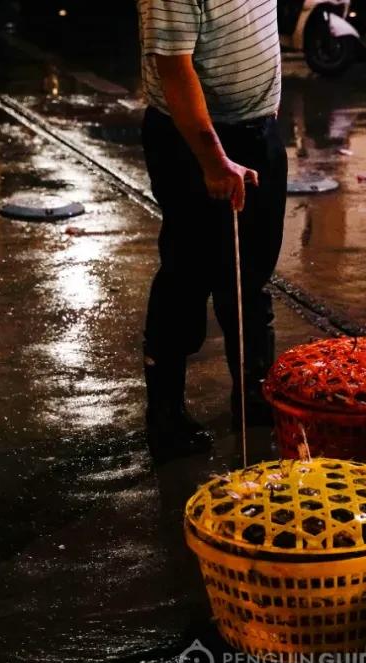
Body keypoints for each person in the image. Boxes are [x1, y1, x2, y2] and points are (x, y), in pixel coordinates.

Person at [137, 0, 287, 461]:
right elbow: (174, 69)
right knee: (187, 273)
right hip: (192, 141)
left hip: (257, 132)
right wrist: (213, 159)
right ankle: (165, 415)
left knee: (251, 273)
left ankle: (256, 397)